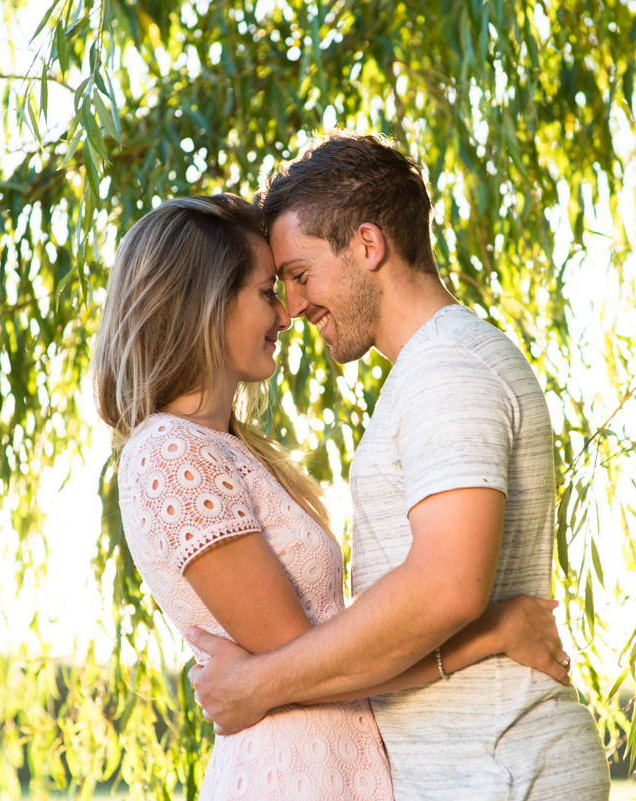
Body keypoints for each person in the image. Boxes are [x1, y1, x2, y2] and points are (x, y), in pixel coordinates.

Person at [90, 194, 577, 800]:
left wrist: (254, 683)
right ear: (208, 305)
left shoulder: (223, 449)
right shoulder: (172, 452)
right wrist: (492, 632)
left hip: (333, 766)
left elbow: (304, 664)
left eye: (288, 284)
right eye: (268, 291)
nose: (287, 314)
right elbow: (310, 663)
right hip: (293, 774)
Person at [185, 135, 611, 799]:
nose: (292, 307)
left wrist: (256, 685)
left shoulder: (447, 367)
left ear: (367, 245)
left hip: (496, 766)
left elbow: (447, 585)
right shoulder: (431, 369)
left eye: (300, 275)